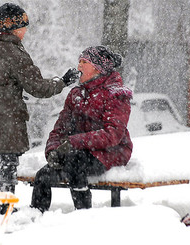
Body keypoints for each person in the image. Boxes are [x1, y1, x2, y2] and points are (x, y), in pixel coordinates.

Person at [0, 3, 79, 221]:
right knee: (8, 164)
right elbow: (38, 88)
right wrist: (63, 81)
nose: (26, 31)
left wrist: (1, 93)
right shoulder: (16, 54)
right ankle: (5, 206)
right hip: (7, 120)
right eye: (23, 26)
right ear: (14, 28)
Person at [30, 46, 133, 212]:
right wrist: (53, 151)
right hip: (77, 151)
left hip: (112, 151)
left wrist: (73, 142)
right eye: (79, 61)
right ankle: (35, 216)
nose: (79, 66)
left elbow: (113, 135)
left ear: (98, 68)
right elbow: (59, 129)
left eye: (84, 62)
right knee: (43, 175)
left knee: (75, 164)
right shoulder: (76, 94)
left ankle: (83, 215)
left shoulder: (115, 94)